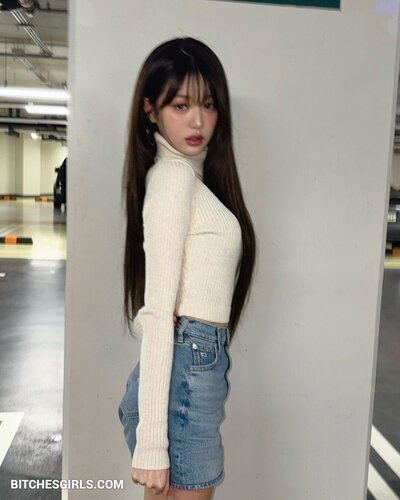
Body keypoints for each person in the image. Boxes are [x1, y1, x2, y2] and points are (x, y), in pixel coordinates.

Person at [118, 37, 256, 499]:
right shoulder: (174, 179)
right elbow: (159, 313)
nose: (198, 121)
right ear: (150, 110)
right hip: (187, 376)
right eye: (180, 105)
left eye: (208, 104)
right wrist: (151, 445)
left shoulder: (188, 178)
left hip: (193, 368)